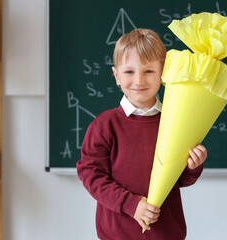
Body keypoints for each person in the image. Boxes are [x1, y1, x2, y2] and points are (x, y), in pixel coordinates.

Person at [77, 28, 207, 240]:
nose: (139, 81)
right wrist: (131, 204)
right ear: (116, 75)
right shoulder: (104, 125)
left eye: (148, 71)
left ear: (163, 73)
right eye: (129, 72)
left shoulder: (176, 124)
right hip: (117, 234)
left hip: (167, 234)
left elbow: (181, 180)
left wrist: (193, 166)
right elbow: (91, 174)